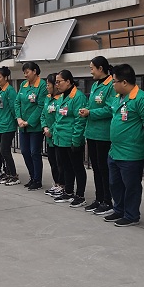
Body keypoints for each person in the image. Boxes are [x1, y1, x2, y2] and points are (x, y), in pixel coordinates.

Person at [103, 64, 144, 227]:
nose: (112, 84)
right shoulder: (118, 97)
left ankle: (131, 215)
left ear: (124, 82)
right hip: (115, 150)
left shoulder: (141, 100)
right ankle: (119, 209)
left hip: (131, 152)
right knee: (114, 183)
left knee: (131, 185)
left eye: (114, 81)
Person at [78, 56, 115, 214]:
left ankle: (107, 200)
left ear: (101, 68)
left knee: (103, 168)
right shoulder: (95, 85)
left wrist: (90, 113)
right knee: (96, 168)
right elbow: (91, 104)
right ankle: (99, 198)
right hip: (92, 133)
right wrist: (86, 110)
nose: (91, 71)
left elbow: (110, 109)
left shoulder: (111, 85)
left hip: (103, 134)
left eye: (92, 68)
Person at [51, 70, 87, 206]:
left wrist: (76, 140)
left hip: (72, 139)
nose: (57, 85)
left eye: (59, 82)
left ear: (68, 81)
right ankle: (68, 191)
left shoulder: (78, 97)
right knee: (65, 167)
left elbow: (80, 120)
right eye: (56, 82)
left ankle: (80, 195)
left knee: (77, 167)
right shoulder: (62, 97)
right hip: (60, 139)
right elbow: (58, 118)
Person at [16, 61, 45, 190]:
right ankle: (32, 176)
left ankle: (37, 180)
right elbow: (17, 102)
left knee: (34, 152)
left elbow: (41, 106)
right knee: (25, 151)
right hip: (22, 126)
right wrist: (19, 118)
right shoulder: (23, 84)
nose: (25, 75)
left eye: (27, 72)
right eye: (24, 72)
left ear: (34, 71)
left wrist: (29, 121)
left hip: (35, 127)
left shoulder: (42, 85)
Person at [0, 66, 19, 185]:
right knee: (2, 150)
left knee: (4, 150)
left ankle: (13, 174)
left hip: (8, 125)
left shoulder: (10, 91)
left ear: (5, 77)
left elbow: (14, 108)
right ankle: (7, 172)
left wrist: (16, 120)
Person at [41, 73, 64, 196]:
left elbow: (60, 118)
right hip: (48, 136)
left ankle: (62, 185)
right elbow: (43, 115)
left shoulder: (61, 99)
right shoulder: (47, 98)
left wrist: (51, 130)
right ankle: (56, 183)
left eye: (48, 84)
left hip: (57, 136)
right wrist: (45, 127)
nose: (47, 87)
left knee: (60, 162)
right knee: (52, 162)